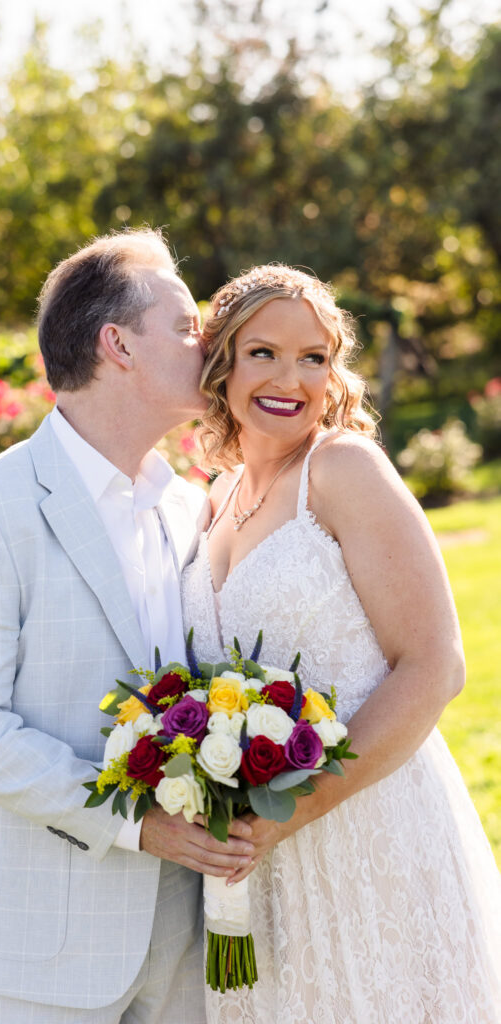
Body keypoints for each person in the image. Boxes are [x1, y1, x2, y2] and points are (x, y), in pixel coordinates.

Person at [0, 228, 256, 1024]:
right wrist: (139, 825)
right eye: (184, 325)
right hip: (41, 944)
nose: (208, 344)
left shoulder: (187, 501)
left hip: (186, 934)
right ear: (117, 344)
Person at [181, 263, 501, 1023]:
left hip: (370, 822)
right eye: (263, 352)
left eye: (313, 357)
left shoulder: (342, 468)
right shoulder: (209, 501)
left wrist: (298, 806)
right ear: (221, 360)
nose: (289, 378)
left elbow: (433, 665)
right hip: (254, 858)